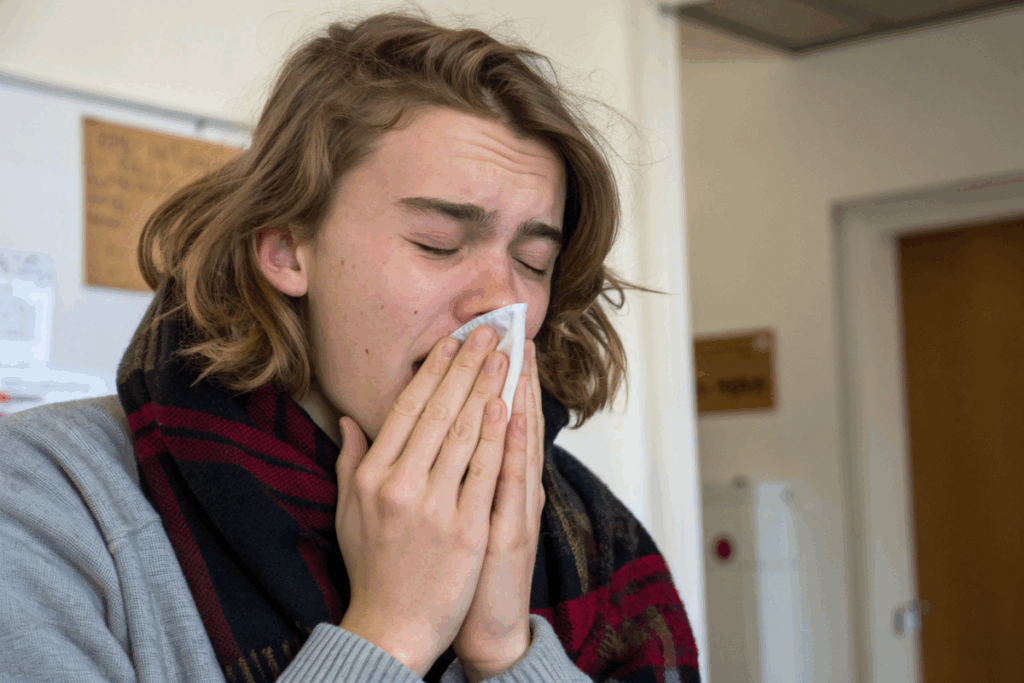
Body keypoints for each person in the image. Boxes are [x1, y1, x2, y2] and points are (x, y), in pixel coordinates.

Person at [0, 11, 700, 683]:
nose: (501, 301)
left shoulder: (594, 537)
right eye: (438, 243)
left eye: (533, 261)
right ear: (287, 249)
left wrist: (505, 653)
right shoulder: (50, 501)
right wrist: (392, 633)